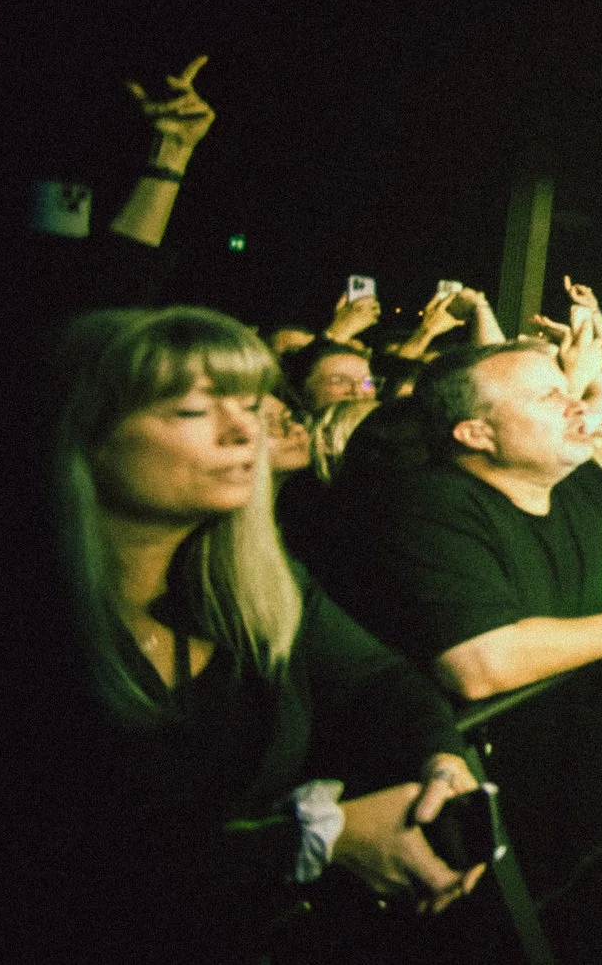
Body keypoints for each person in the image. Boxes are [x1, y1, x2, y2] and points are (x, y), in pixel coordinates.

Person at [47, 307, 487, 959]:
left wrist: (443, 762)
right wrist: (318, 839)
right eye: (193, 411)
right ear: (83, 434)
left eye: (252, 405)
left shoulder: (261, 586)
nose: (242, 431)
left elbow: (378, 680)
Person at [321, 339, 602, 710]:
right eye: (550, 397)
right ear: (476, 433)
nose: (578, 404)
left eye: (568, 391)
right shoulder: (423, 507)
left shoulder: (583, 482)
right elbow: (481, 664)